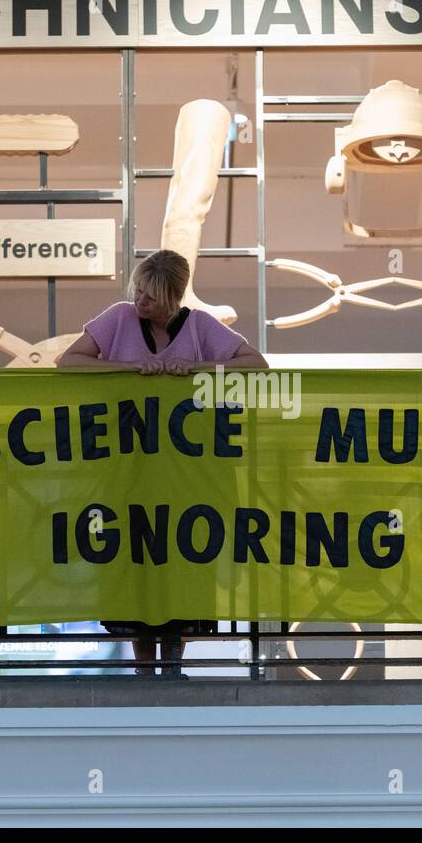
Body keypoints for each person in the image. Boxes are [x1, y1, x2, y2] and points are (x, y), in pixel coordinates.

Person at [59, 250, 268, 676]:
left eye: (151, 296)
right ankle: (142, 666)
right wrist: (129, 367)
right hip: (127, 469)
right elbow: (68, 362)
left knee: (183, 558)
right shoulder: (118, 319)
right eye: (138, 291)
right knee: (135, 556)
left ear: (173, 297)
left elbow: (256, 364)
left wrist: (194, 368)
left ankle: (173, 660)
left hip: (188, 475)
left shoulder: (200, 326)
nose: (141, 301)